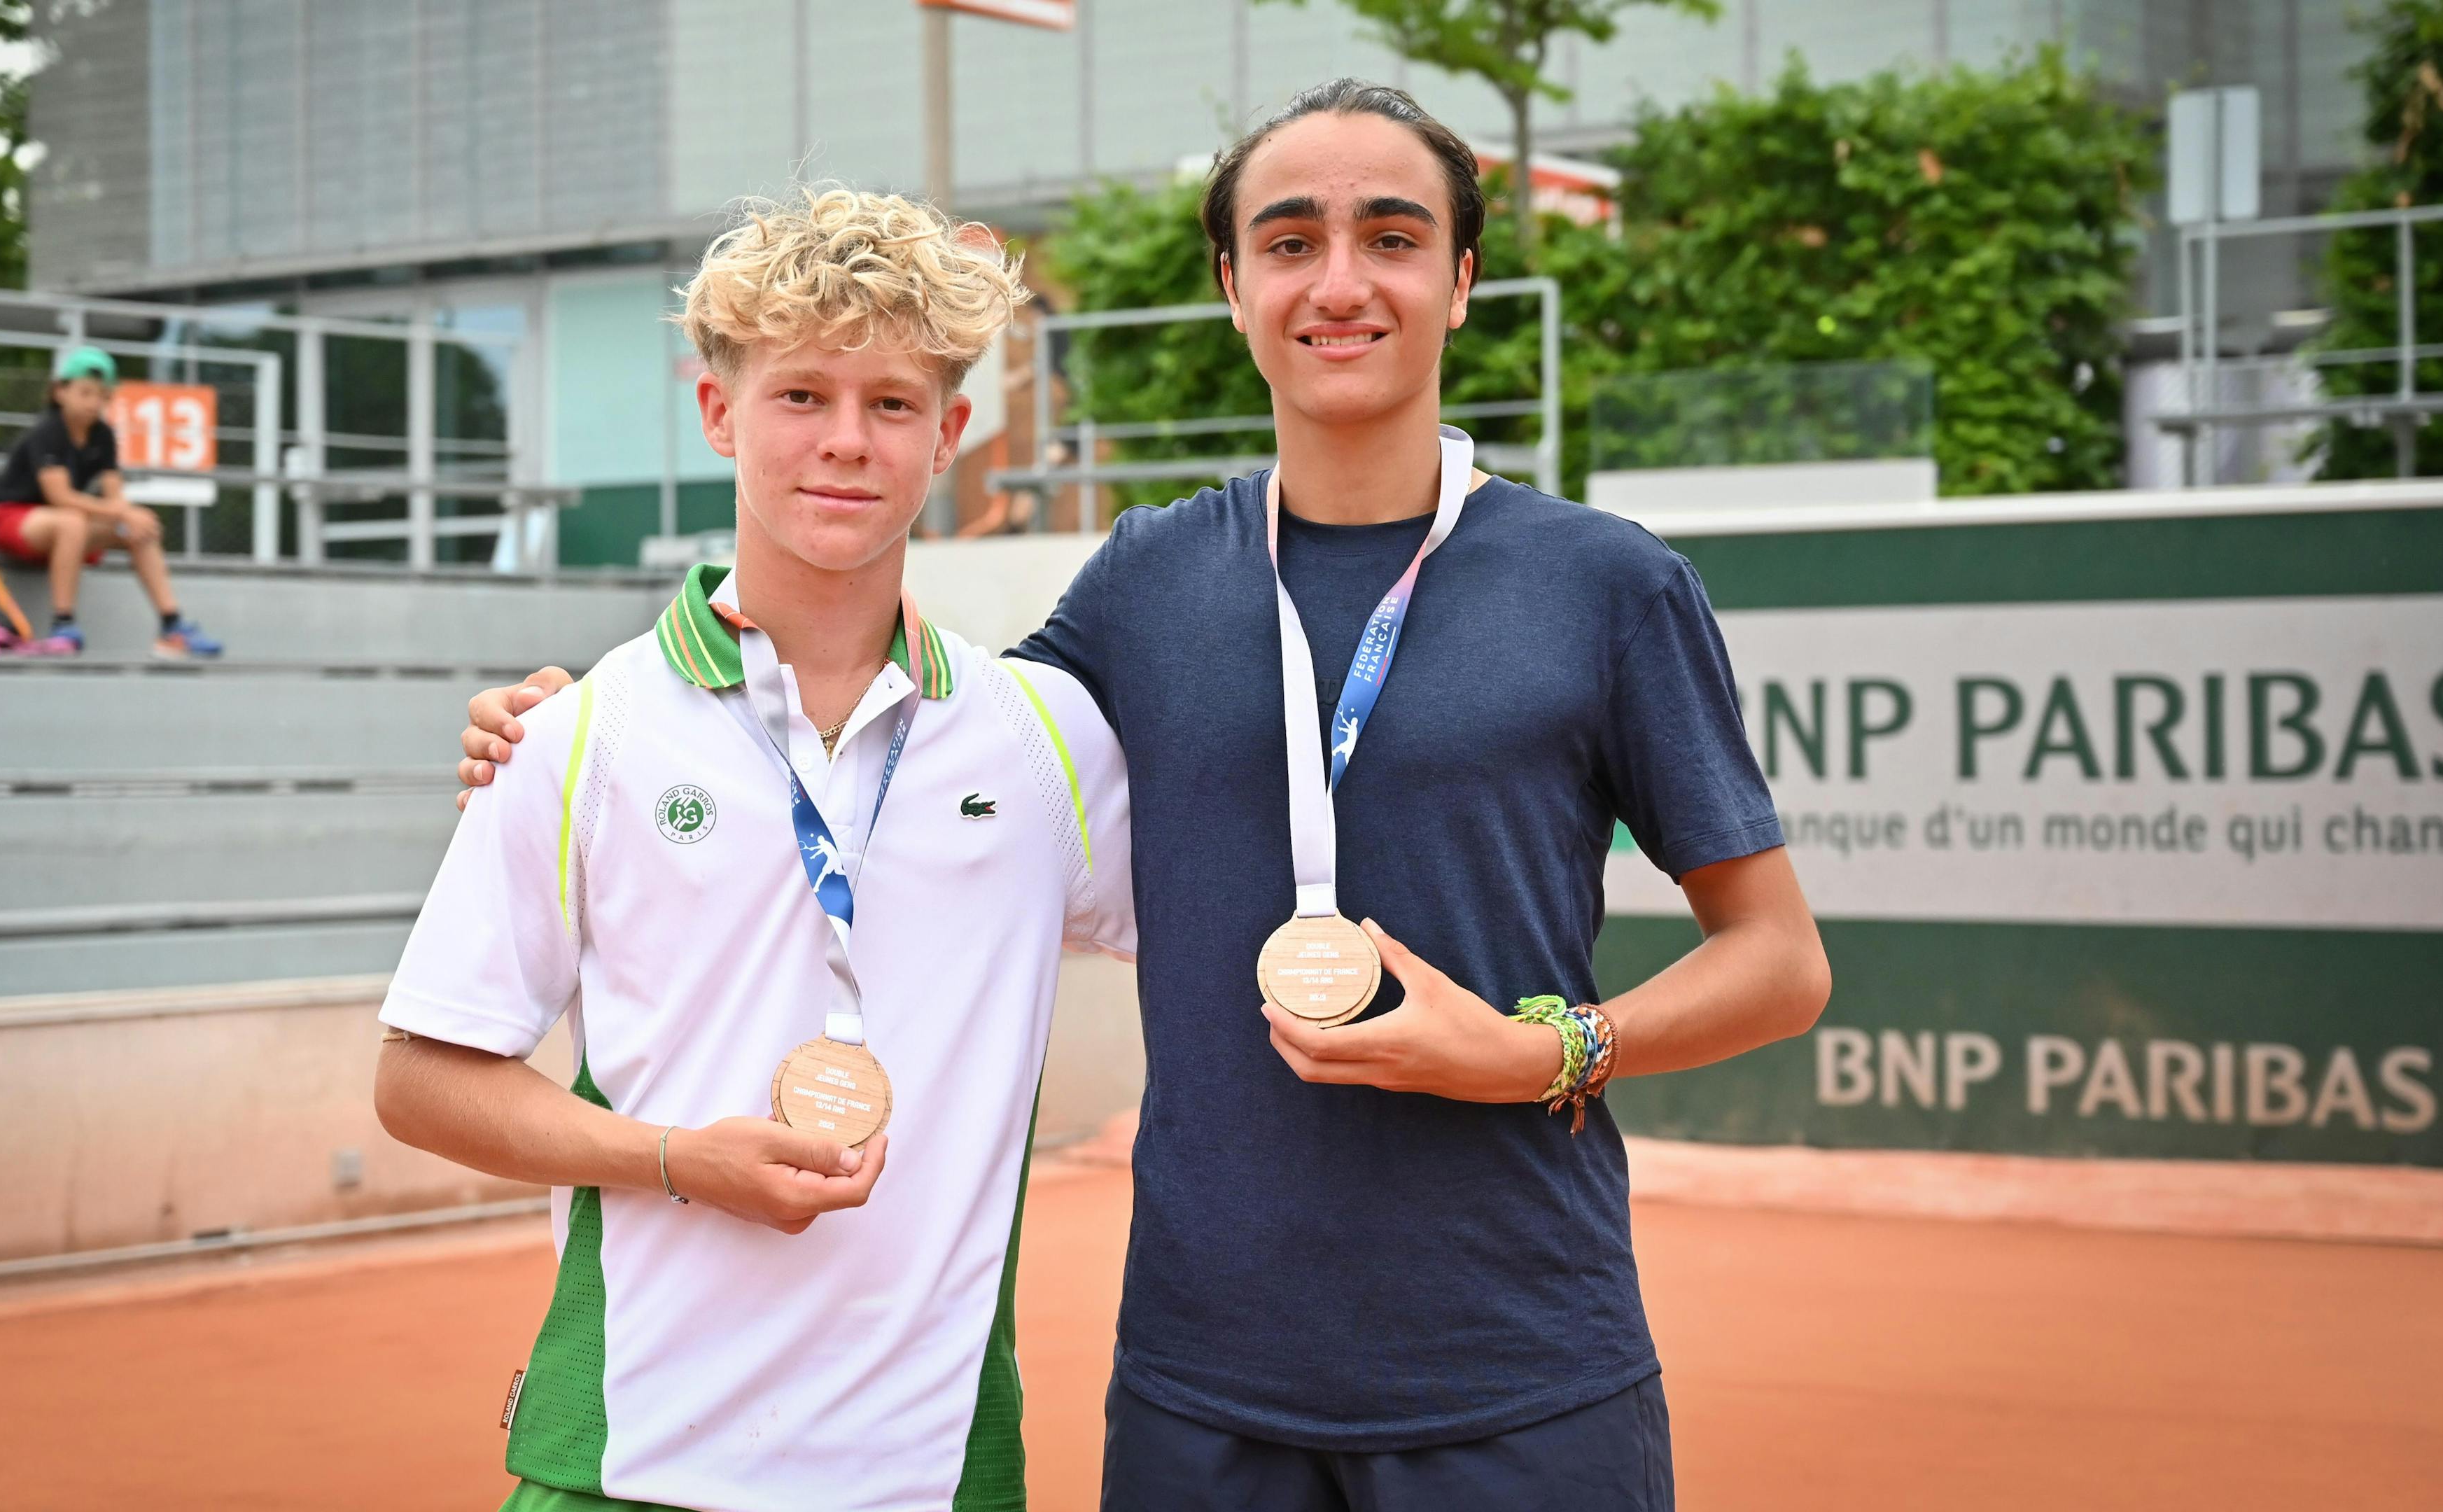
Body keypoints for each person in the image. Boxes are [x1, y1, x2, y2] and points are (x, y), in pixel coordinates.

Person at [461, 80, 1829, 1511]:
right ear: (1236, 287)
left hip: (1525, 1363)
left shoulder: (1609, 584)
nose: (1342, 281)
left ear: (1465, 280)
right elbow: (897, 745)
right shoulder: (1147, 581)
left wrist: (1542, 1052)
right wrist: (580, 729)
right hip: (1201, 1389)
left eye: (1395, 237)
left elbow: (1779, 963)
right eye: (1291, 242)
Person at [377, 186, 1133, 1512]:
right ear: (721, 412)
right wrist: (677, 1160)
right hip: (632, 1462)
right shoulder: (578, 735)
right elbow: (421, 1080)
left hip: (934, 1471)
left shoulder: (1046, 740)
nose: (846, 442)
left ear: (950, 433)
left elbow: (1228, 941)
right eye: (801, 396)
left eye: (894, 404)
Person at [0, 346, 221, 657]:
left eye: (102, 396)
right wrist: (120, 510)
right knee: (73, 521)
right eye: (85, 393)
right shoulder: (47, 432)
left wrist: (129, 517)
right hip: (13, 521)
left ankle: (172, 626)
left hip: (65, 530)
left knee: (142, 527)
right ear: (60, 392)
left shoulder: (103, 435)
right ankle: (63, 625)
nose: (94, 403)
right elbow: (60, 496)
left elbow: (114, 493)